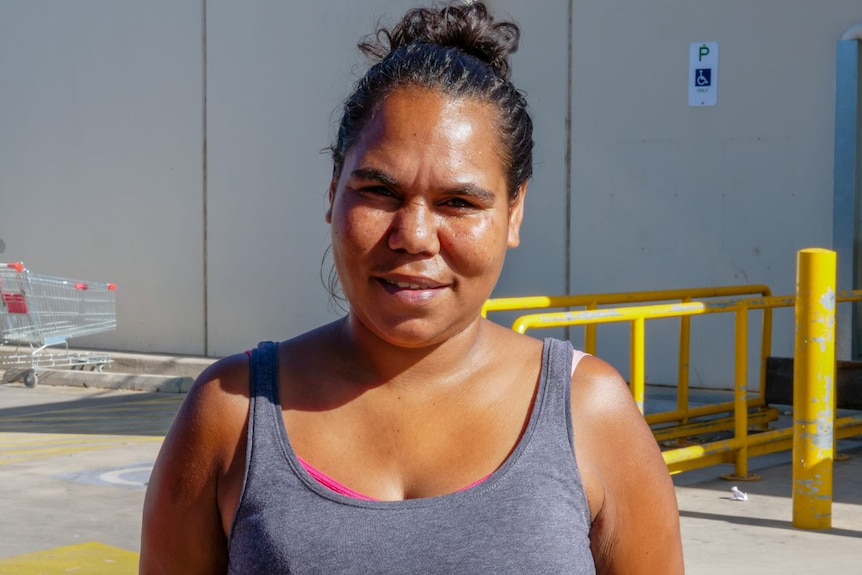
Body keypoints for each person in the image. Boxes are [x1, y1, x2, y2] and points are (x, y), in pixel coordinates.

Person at [140, 2, 684, 573]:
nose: (415, 236)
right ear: (332, 193)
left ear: (515, 212)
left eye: (459, 202)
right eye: (379, 192)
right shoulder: (231, 412)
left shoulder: (589, 411)